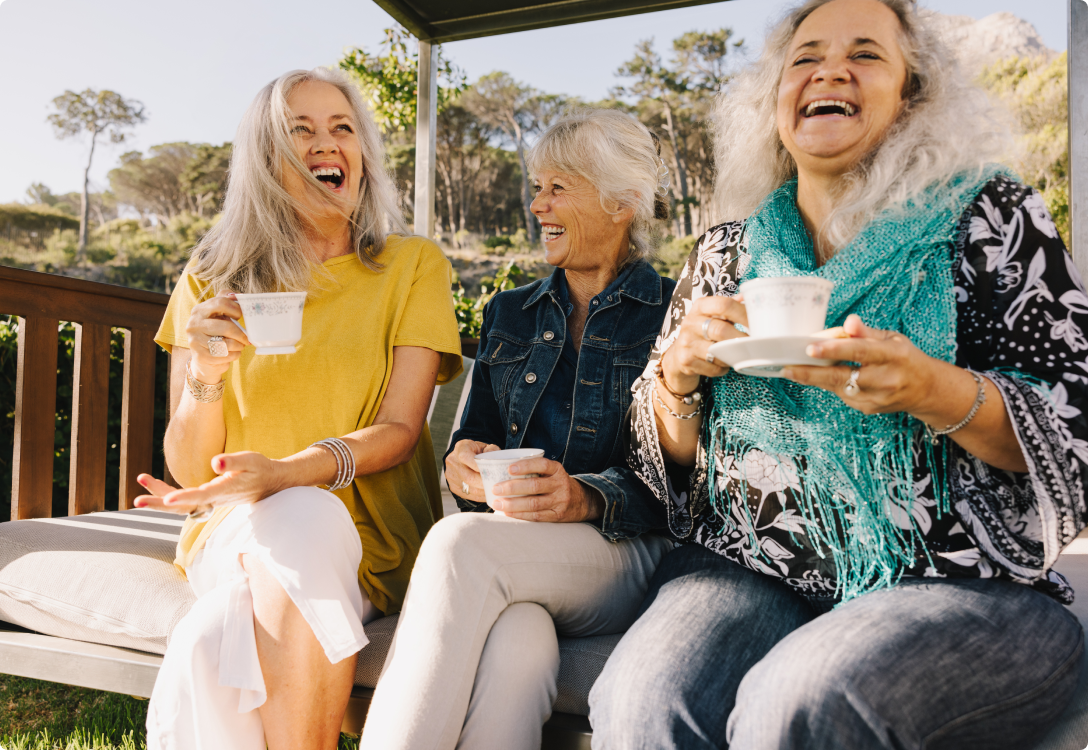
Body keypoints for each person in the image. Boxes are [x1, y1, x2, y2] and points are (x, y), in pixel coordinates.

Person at [590, 1, 1088, 748]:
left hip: (964, 583)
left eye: (866, 54)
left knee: (792, 701)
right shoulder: (726, 251)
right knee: (638, 702)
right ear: (776, 98)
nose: (831, 69)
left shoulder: (989, 215)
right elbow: (663, 466)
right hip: (751, 566)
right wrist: (676, 381)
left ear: (911, 95)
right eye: (807, 56)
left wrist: (931, 389)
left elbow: (1073, 423)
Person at [133, 67, 462, 750]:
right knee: (298, 523)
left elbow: (401, 430)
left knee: (209, 636)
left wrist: (286, 473)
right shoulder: (210, 279)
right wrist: (208, 372)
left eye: (343, 129)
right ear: (265, 158)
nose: (326, 144)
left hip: (373, 538)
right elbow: (193, 473)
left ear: (363, 155)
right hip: (238, 533)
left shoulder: (411, 266)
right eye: (300, 131)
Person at [359, 109, 676, 750]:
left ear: (622, 202)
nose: (537, 204)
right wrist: (462, 465)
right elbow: (469, 442)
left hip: (627, 553)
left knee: (458, 545)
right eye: (537, 186)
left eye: (558, 187)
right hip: (522, 556)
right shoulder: (509, 311)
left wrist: (584, 497)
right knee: (519, 644)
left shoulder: (677, 312)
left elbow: (686, 481)